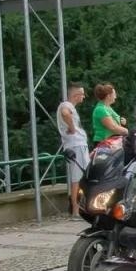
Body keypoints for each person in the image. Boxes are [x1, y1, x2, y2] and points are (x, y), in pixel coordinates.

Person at [57, 82, 90, 217]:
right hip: (76, 145)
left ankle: (80, 207)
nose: (83, 97)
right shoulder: (66, 105)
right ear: (76, 95)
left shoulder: (70, 107)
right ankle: (76, 210)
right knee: (77, 179)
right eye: (82, 94)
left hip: (78, 145)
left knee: (83, 176)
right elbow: (65, 113)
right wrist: (71, 127)